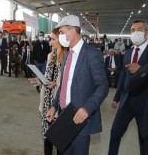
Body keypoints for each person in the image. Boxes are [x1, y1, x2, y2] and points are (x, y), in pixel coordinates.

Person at [46, 15, 108, 155]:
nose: (60, 36)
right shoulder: (67, 55)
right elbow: (63, 85)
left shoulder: (92, 54)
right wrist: (54, 106)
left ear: (72, 31)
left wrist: (87, 108)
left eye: (61, 32)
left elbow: (102, 86)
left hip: (79, 120)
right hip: (63, 117)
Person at [108, 20, 148, 155]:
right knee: (115, 133)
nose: (136, 32)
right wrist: (116, 97)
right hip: (126, 102)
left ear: (146, 33)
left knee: (144, 139)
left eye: (140, 29)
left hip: (144, 104)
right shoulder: (129, 52)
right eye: (133, 30)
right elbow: (123, 77)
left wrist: (142, 69)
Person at [29, 28, 68, 155]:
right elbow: (47, 76)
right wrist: (39, 81)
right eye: (50, 38)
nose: (50, 41)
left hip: (58, 102)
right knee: (47, 137)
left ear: (61, 39)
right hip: (46, 100)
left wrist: (56, 83)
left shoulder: (67, 57)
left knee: (59, 138)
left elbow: (68, 81)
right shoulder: (50, 55)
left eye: (53, 39)